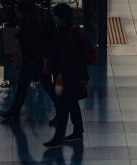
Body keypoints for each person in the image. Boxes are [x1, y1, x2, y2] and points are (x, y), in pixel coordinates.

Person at [43, 3, 90, 149]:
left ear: (60, 17)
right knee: (71, 103)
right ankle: (77, 132)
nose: (54, 18)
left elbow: (80, 56)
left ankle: (58, 138)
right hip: (65, 74)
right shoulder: (62, 30)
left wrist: (83, 77)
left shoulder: (71, 32)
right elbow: (56, 52)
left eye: (55, 15)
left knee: (64, 106)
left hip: (72, 75)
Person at [0, 2, 56, 120]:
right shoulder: (27, 23)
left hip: (37, 62)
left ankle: (62, 111)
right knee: (23, 85)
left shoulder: (34, 25)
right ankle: (14, 110)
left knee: (47, 88)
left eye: (18, 10)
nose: (17, 12)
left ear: (25, 13)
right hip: (31, 61)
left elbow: (40, 44)